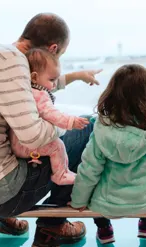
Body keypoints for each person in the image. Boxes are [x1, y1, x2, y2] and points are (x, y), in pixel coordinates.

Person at [0, 13, 101, 247]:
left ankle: (2, 218)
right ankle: (53, 226)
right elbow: (34, 135)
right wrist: (69, 124)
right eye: (57, 57)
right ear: (53, 48)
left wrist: (75, 77)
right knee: (88, 127)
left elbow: (34, 82)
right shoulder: (13, 62)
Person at [69, 64, 146, 244]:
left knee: (96, 191)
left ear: (113, 93)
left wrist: (79, 201)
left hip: (109, 202)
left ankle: (104, 229)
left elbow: (89, 169)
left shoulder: (102, 129)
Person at [9, 48, 89, 185]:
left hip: (16, 142)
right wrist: (71, 121)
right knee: (57, 146)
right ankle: (61, 174)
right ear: (34, 77)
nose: (54, 84)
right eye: (52, 80)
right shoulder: (39, 94)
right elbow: (51, 114)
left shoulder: (25, 91)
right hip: (25, 146)